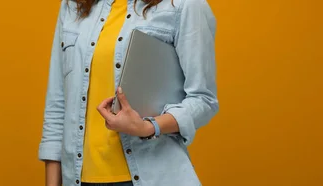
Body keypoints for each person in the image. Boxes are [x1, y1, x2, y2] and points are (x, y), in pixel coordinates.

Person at [38, 0, 219, 186]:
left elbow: (203, 99)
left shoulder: (184, 5)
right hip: (77, 179)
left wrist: (148, 127)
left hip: (151, 177)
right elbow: (57, 106)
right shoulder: (73, 5)